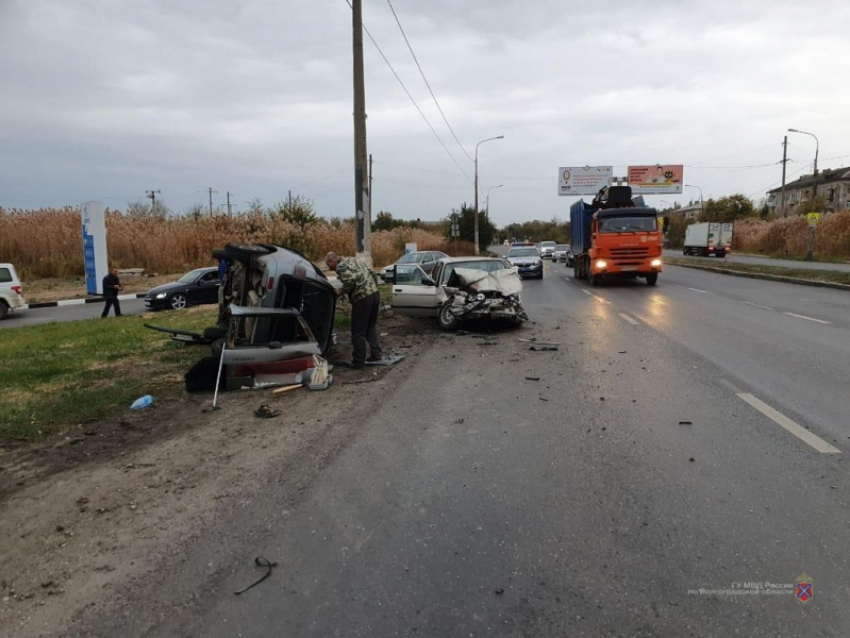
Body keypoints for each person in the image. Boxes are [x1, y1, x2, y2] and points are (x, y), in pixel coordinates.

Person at [325, 252, 382, 368]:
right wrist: (372, 287)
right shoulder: (353, 260)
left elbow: (349, 281)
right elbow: (372, 273)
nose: (330, 268)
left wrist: (339, 291)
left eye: (329, 265)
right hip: (375, 294)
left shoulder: (340, 267)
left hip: (362, 298)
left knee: (357, 331)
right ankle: (376, 354)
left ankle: (358, 360)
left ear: (332, 261)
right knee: (370, 326)